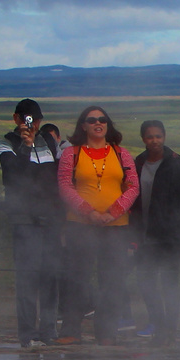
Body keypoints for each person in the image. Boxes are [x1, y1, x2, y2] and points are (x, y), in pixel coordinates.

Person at [55, 105, 138, 345]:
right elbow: (64, 185)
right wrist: (88, 212)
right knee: (76, 278)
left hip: (116, 226)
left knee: (111, 280)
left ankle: (107, 333)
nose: (97, 123)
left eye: (102, 119)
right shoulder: (72, 154)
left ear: (108, 124)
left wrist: (113, 212)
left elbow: (133, 186)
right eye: (91, 120)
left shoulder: (122, 154)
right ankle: (71, 330)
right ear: (83, 126)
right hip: (80, 225)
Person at [0, 99, 65, 347]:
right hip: (24, 219)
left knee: (50, 276)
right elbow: (12, 176)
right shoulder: (7, 143)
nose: (32, 124)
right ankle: (27, 333)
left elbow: (60, 175)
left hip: (50, 219)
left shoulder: (48, 141)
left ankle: (49, 330)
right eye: (27, 119)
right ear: (17, 119)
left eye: (36, 120)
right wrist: (25, 147)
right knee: (27, 278)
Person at [131, 120, 180, 345]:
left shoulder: (176, 164)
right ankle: (158, 324)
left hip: (170, 236)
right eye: (150, 136)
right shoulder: (137, 163)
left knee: (169, 282)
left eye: (158, 136)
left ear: (165, 137)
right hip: (145, 234)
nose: (154, 140)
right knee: (145, 281)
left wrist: (174, 223)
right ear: (143, 138)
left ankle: (169, 330)